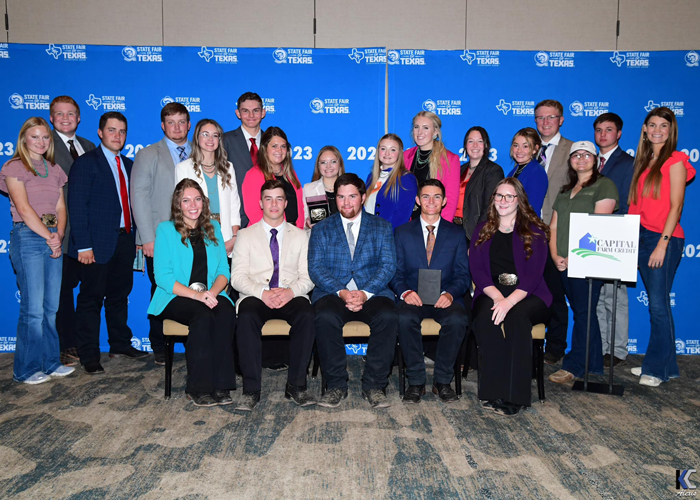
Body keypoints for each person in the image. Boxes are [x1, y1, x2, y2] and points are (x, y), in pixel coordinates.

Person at [309, 173, 398, 409]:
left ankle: (375, 386)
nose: (346, 203)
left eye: (352, 196)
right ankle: (336, 385)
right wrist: (342, 292)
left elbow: (388, 265)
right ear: (334, 199)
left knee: (388, 316)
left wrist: (365, 292)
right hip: (333, 293)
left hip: (372, 292)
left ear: (363, 197)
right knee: (325, 316)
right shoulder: (322, 229)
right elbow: (315, 268)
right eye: (340, 197)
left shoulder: (382, 227)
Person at [68, 112, 147, 374]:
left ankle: (120, 344)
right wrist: (83, 246)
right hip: (95, 245)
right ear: (100, 133)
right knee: (91, 299)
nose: (117, 136)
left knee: (119, 296)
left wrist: (136, 238)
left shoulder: (130, 164)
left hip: (125, 241)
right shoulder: (86, 163)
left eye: (122, 131)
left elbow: (133, 205)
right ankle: (89, 355)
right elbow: (77, 207)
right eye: (112, 130)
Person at [147, 179, 236, 406]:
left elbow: (223, 270)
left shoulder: (213, 228)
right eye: (186, 200)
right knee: (202, 315)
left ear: (204, 203)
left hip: (211, 293)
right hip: (176, 296)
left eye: (197, 199)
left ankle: (222, 384)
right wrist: (198, 296)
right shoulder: (166, 230)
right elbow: (163, 277)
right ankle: (198, 387)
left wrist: (214, 293)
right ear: (178, 204)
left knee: (226, 311)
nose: (193, 205)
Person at [0, 117, 75, 384]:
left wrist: (57, 235)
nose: (41, 142)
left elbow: (58, 209)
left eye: (45, 137)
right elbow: (23, 208)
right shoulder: (13, 167)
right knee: (32, 310)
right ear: (24, 139)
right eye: (35, 137)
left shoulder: (53, 169)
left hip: (50, 238)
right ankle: (26, 369)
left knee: (50, 308)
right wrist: (49, 237)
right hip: (27, 238)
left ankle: (51, 362)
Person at [231, 180, 316, 411]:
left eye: (279, 198)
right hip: (256, 294)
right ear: (260, 203)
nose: (274, 204)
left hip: (290, 293)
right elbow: (237, 278)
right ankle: (251, 390)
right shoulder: (246, 236)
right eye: (268, 199)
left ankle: (296, 386)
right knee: (246, 315)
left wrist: (290, 292)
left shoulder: (300, 236)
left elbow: (308, 278)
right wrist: (262, 293)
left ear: (286, 203)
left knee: (307, 314)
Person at [470, 178, 551, 416]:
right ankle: (493, 390)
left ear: (519, 200)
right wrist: (497, 299)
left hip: (529, 293)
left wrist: (508, 302)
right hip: (492, 291)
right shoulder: (482, 228)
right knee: (485, 316)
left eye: (509, 196)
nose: (503, 201)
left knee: (516, 318)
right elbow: (477, 271)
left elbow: (534, 276)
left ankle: (515, 397)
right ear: (493, 198)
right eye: (499, 196)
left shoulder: (534, 230)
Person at [628, 107, 695, 387]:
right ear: (644, 129)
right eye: (652, 124)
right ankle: (666, 365)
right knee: (658, 304)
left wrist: (662, 245)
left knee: (658, 305)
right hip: (641, 236)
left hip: (662, 238)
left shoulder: (676, 160)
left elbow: (676, 205)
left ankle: (656, 368)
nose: (657, 130)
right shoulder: (644, 161)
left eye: (663, 126)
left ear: (671, 130)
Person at [391, 179, 470, 404]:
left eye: (437, 196)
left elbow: (463, 274)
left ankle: (442, 382)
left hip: (444, 296)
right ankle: (416, 382)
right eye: (426, 196)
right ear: (418, 200)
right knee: (404, 318)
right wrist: (405, 292)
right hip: (412, 297)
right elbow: (394, 272)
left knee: (457, 319)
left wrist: (450, 294)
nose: (431, 201)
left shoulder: (456, 234)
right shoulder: (402, 232)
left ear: (444, 201)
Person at [548, 141, 619, 384]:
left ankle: (574, 365)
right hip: (564, 261)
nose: (581, 158)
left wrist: (575, 256)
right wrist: (556, 255)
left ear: (596, 159)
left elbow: (599, 226)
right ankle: (594, 364)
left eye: (586, 154)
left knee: (584, 312)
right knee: (583, 311)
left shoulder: (604, 185)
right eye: (576, 155)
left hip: (588, 260)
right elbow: (554, 225)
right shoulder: (566, 189)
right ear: (570, 160)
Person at [131, 102, 192, 365]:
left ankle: (195, 342)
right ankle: (159, 345)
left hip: (193, 237)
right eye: (171, 122)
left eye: (181, 122)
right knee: (161, 290)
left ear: (189, 125)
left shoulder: (199, 152)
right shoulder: (148, 154)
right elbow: (139, 197)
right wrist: (147, 238)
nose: (176, 127)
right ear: (162, 125)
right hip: (159, 238)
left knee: (193, 288)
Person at [49, 95, 97, 368]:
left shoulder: (89, 146)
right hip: (61, 234)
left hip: (88, 234)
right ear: (51, 117)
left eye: (71, 114)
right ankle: (65, 346)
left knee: (89, 294)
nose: (66, 118)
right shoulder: (44, 144)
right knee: (62, 293)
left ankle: (82, 343)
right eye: (60, 114)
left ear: (79, 118)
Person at [592, 113, 635, 368]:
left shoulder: (628, 163)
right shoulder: (590, 162)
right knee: (596, 297)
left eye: (608, 130)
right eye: (598, 130)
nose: (603, 135)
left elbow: (630, 202)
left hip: (616, 237)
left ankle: (617, 350)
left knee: (615, 297)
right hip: (590, 238)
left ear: (618, 134)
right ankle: (601, 346)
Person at [175, 118, 240, 257]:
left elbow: (234, 204)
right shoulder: (183, 168)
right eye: (205, 134)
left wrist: (234, 237)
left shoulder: (228, 168)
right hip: (196, 237)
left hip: (226, 237)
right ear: (197, 137)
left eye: (215, 135)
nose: (210, 139)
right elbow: (181, 207)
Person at [241, 127, 304, 229]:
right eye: (274, 146)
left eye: (283, 146)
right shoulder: (254, 175)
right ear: (265, 148)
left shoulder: (291, 174)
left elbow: (299, 207)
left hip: (294, 234)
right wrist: (276, 233)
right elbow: (253, 212)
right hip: (267, 236)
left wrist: (299, 231)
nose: (279, 150)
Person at [403, 111, 460, 222]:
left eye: (426, 128)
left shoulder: (450, 159)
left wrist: (440, 230)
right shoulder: (405, 157)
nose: (420, 132)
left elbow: (451, 200)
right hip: (409, 225)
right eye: (416, 127)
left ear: (435, 132)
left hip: (435, 225)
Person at [223, 91, 267, 228]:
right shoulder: (225, 141)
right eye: (245, 111)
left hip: (268, 215)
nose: (251, 116)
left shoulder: (272, 142)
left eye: (255, 110)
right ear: (238, 113)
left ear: (263, 112)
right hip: (236, 217)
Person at [456, 126, 504, 243]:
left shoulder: (493, 170)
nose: (475, 145)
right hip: (455, 230)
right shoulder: (460, 169)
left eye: (480, 141)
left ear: (486, 145)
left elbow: (490, 208)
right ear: (465, 145)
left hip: (475, 233)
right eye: (471, 141)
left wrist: (478, 237)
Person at [365, 133, 418, 230]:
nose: (387, 153)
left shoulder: (406, 179)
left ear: (399, 153)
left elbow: (402, 216)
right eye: (383, 148)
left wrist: (384, 236)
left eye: (392, 149)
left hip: (390, 238)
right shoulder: (371, 178)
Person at [534, 99, 574, 225]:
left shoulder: (573, 150)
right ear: (535, 120)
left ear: (561, 120)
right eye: (541, 117)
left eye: (551, 117)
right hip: (528, 226)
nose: (545, 122)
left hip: (560, 223)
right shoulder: (525, 150)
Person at [506, 128, 548, 217]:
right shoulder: (515, 170)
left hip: (525, 227)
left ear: (535, 149)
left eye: (525, 146)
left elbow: (532, 209)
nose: (519, 150)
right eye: (516, 145)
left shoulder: (536, 173)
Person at [302, 145, 345, 228]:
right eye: (323, 162)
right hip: (317, 239)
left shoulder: (348, 188)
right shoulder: (308, 189)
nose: (328, 166)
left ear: (340, 164)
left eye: (333, 161)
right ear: (318, 166)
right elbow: (301, 222)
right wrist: (307, 224)